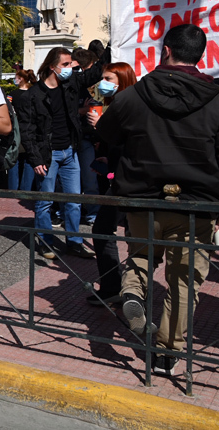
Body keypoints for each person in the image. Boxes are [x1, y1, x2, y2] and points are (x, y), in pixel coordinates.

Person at [96, 24, 219, 376]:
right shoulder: (215, 99)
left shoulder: (132, 96)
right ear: (201, 55)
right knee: (184, 278)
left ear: (165, 51)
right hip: (195, 205)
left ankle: (133, 293)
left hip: (141, 199)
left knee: (140, 255)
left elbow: (106, 135)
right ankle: (167, 351)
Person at [19, 46, 104, 259]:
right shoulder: (33, 94)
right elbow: (27, 130)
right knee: (45, 200)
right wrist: (36, 159)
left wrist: (112, 46)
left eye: (71, 64)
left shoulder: (70, 84)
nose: (70, 69)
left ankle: (74, 241)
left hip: (70, 152)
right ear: (52, 66)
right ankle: (45, 241)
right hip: (48, 155)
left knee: (74, 200)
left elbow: (94, 73)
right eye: (65, 65)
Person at [83, 62, 137, 306]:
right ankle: (121, 287)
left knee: (105, 229)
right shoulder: (116, 104)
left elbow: (128, 143)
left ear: (121, 81)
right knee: (124, 232)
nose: (102, 83)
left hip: (127, 181)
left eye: (108, 78)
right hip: (118, 176)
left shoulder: (127, 106)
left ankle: (116, 287)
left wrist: (100, 128)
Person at [73, 48, 102, 225]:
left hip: (86, 138)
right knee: (71, 182)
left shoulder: (84, 87)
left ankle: (92, 213)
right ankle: (70, 213)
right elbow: (67, 113)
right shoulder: (69, 85)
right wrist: (82, 110)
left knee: (90, 179)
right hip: (71, 139)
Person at [8, 68, 38, 191]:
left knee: (13, 161)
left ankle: (12, 191)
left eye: (16, 78)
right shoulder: (35, 94)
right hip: (31, 131)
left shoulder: (12, 96)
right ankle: (27, 191)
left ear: (20, 79)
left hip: (16, 132)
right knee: (30, 161)